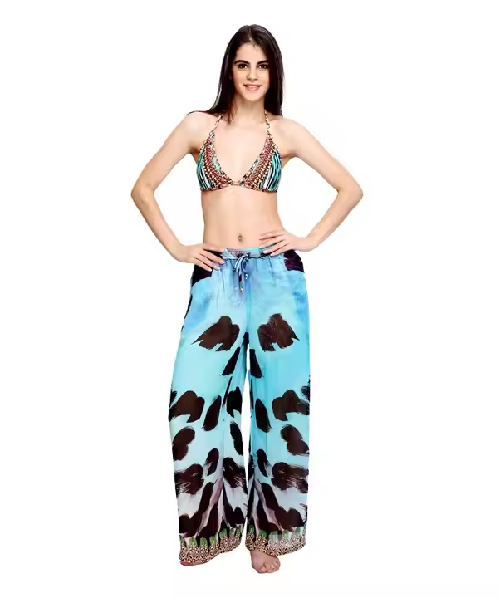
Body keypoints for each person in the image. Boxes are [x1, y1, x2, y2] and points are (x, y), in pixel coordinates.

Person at [130, 23, 363, 574]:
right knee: (191, 399)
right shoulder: (199, 126)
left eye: (262, 65)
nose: (253, 75)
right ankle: (212, 526)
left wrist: (307, 239)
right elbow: (142, 188)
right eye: (243, 65)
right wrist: (178, 248)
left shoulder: (286, 133)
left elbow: (350, 188)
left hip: (276, 278)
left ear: (273, 72)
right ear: (229, 70)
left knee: (279, 404)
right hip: (214, 278)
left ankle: (268, 535)